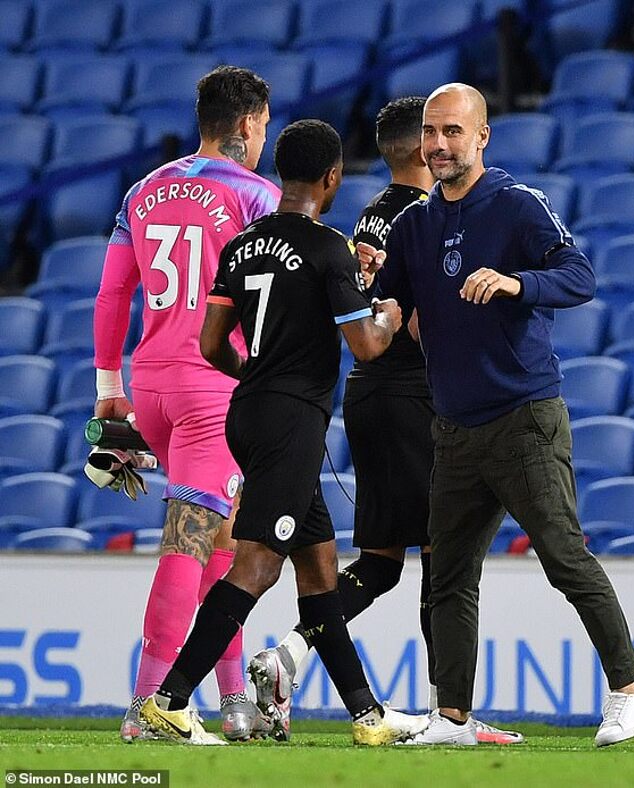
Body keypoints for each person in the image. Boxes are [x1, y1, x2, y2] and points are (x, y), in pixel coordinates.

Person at [358, 83, 634, 747]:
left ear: (482, 137)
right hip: (454, 429)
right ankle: (452, 718)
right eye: (431, 132)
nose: (438, 144)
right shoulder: (414, 226)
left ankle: (632, 693)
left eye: (452, 132)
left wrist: (516, 282)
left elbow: (579, 277)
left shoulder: (518, 204)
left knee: (563, 558)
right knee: (448, 578)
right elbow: (388, 311)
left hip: (524, 420)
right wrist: (370, 286)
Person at [137, 119, 430, 746]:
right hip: (291, 424)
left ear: (279, 172)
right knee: (257, 566)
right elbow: (368, 346)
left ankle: (367, 717)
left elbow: (211, 344)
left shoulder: (242, 244)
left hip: (248, 411)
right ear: (333, 177)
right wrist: (389, 312)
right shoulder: (329, 248)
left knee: (319, 572)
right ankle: (169, 701)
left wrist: (259, 375)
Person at [247, 97, 522, 746]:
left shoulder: (368, 217)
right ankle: (448, 715)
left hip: (367, 396)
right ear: (422, 147)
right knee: (443, 557)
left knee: (380, 561)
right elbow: (423, 325)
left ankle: (288, 655)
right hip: (414, 398)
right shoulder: (429, 217)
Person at [93, 66, 282, 743]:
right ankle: (149, 707)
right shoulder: (257, 195)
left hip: (150, 387)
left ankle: (233, 703)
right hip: (213, 389)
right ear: (246, 125)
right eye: (263, 127)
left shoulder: (142, 190)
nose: (263, 139)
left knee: (222, 544)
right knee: (189, 543)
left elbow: (113, 295)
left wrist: (108, 391)